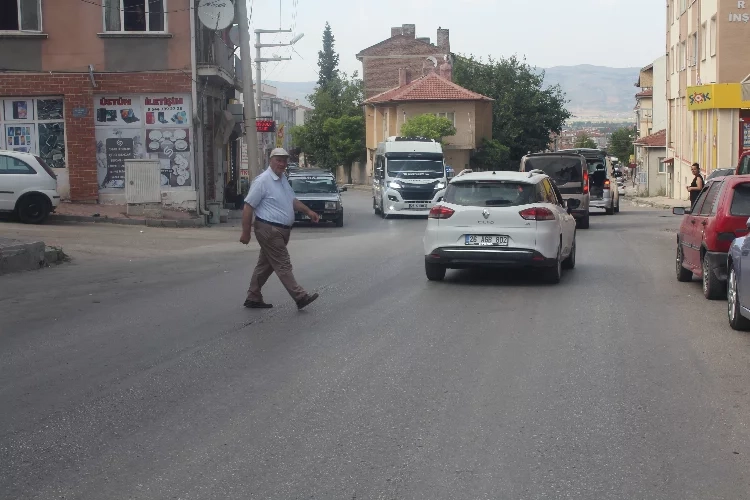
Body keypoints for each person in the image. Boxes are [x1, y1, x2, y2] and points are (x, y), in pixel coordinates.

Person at [239, 148, 320, 310]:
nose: (282, 164)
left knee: (265, 265)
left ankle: (253, 296)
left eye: (284, 160)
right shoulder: (262, 181)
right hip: (269, 229)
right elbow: (248, 207)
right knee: (283, 264)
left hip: (281, 231)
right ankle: (300, 296)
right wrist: (246, 232)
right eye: (279, 160)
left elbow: (292, 201)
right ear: (271, 160)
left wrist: (308, 211)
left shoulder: (283, 179)